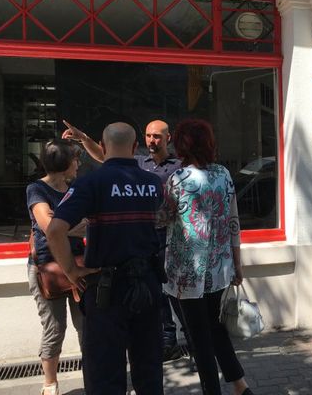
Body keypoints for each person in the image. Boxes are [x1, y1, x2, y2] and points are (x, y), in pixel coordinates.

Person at [46, 123, 164, 395]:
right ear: (136, 147)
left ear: (103, 144)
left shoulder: (90, 183)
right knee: (149, 368)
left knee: (104, 373)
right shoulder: (153, 183)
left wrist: (72, 272)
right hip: (147, 285)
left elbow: (54, 231)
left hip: (105, 290)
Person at [62, 119, 191, 363]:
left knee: (178, 293)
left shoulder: (180, 167)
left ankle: (193, 341)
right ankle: (167, 341)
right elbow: (106, 155)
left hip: (171, 240)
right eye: (148, 135)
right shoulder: (138, 162)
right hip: (142, 244)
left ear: (168, 139)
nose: (152, 141)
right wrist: (84, 139)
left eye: (157, 137)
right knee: (158, 298)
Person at [159, 118, 254, 395]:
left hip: (186, 275)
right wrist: (237, 265)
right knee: (216, 330)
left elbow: (163, 218)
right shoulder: (224, 175)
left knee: (199, 339)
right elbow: (234, 222)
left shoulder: (178, 179)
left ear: (181, 145)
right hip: (219, 270)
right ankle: (241, 387)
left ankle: (214, 390)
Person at [26, 139, 87, 395]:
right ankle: (50, 384)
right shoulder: (36, 189)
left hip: (78, 264)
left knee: (86, 325)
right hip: (47, 268)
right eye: (75, 159)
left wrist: (63, 230)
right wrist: (76, 228)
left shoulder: (76, 189)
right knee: (55, 328)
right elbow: (47, 226)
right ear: (64, 164)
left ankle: (93, 376)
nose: (78, 164)